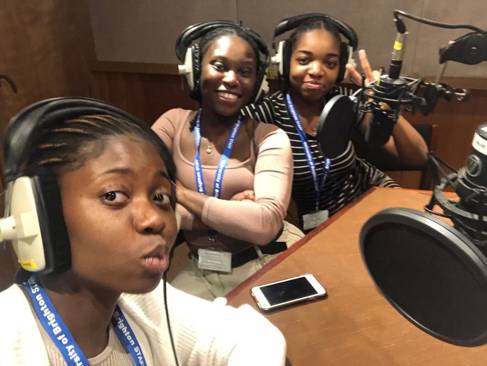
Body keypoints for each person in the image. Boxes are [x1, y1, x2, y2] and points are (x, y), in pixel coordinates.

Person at [0, 97, 286, 366]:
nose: (155, 219)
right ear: (40, 217)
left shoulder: (143, 305)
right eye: (113, 195)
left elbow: (254, 336)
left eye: (161, 197)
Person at [152, 22, 302, 300]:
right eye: (220, 66)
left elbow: (264, 224)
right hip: (196, 267)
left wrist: (180, 194)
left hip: (264, 261)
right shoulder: (171, 124)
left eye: (245, 71)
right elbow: (148, 207)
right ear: (195, 71)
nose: (232, 79)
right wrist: (230, 213)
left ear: (257, 82)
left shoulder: (270, 137)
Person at [242, 14, 428, 232]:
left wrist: (384, 103)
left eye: (330, 63)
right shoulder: (267, 112)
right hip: (312, 228)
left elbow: (418, 157)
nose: (317, 71)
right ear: (285, 61)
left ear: (340, 69)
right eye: (304, 60)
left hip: (370, 199)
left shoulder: (345, 103)